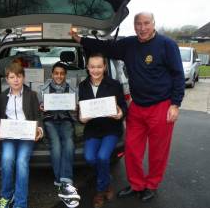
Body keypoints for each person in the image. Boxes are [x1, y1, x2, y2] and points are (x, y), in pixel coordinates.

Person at [72, 12, 185, 202]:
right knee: (132, 149)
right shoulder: (129, 44)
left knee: (158, 151)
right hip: (137, 106)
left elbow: (178, 76)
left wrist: (175, 104)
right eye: (138, 24)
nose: (142, 28)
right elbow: (105, 47)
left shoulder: (167, 45)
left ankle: (151, 184)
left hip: (161, 106)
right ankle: (136, 184)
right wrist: (80, 39)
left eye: (146, 23)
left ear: (153, 23)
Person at [78, 53, 127, 208]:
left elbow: (123, 107)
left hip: (111, 129)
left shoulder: (114, 84)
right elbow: (81, 110)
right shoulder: (83, 85)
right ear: (87, 67)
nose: (96, 70)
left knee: (103, 157)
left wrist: (120, 114)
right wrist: (81, 118)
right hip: (92, 129)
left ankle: (100, 192)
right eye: (92, 67)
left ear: (105, 67)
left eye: (99, 67)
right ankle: (108, 182)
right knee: (90, 157)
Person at [0, 62, 44, 208]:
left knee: (21, 162)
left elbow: (38, 116)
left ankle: (21, 203)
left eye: (19, 76)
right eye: (12, 77)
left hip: (26, 136)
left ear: (23, 78)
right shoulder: (2, 97)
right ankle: (6, 197)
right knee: (7, 160)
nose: (16, 80)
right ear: (7, 79)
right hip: (9, 135)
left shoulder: (32, 95)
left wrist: (39, 130)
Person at [40, 61, 80, 208]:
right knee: (56, 144)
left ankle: (65, 180)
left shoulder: (72, 90)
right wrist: (41, 106)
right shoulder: (43, 89)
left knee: (69, 142)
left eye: (62, 73)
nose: (59, 76)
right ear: (52, 74)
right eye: (56, 73)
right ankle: (60, 180)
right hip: (50, 121)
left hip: (66, 121)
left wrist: (74, 108)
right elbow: (39, 106)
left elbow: (75, 112)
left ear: (65, 75)